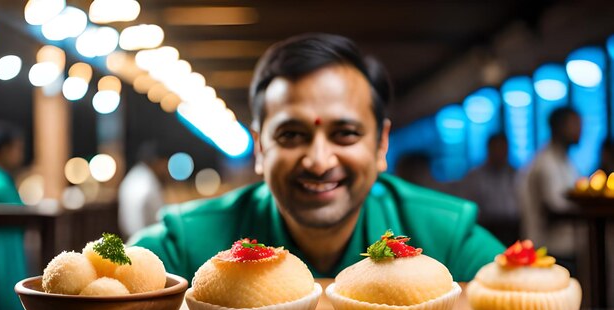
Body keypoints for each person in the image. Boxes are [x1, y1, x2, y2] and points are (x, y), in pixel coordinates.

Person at [129, 33, 505, 282]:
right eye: (292, 135)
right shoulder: (189, 242)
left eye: (345, 134)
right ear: (260, 148)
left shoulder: (446, 235)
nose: (320, 161)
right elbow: (100, 285)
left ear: (381, 145)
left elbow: (530, 295)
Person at [517, 107, 582, 275]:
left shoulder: (565, 160)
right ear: (558, 127)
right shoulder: (545, 163)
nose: (579, 130)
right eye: (574, 125)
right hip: (550, 250)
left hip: (566, 248)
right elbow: (553, 210)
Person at [0, 120, 27, 310]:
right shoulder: (0, 185)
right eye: (17, 148)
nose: (20, 154)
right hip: (0, 252)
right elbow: (22, 214)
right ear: (4, 150)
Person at [461, 133, 520, 246]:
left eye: (503, 148)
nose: (500, 152)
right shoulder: (475, 176)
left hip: (512, 228)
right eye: (496, 148)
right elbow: (469, 205)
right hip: (487, 227)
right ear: (489, 149)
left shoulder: (516, 174)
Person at [118, 140, 169, 240]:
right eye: (165, 164)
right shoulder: (149, 185)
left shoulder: (133, 175)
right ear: (156, 162)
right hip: (146, 241)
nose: (166, 169)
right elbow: (160, 221)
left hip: (128, 237)